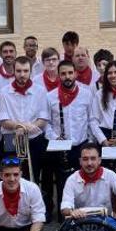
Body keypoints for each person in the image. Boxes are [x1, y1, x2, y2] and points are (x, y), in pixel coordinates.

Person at [44, 60, 94, 218]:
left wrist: (90, 143)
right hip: (60, 146)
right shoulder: (50, 96)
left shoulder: (86, 93)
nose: (67, 76)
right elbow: (46, 124)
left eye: (70, 73)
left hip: (81, 145)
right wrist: (55, 138)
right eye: (63, 73)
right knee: (61, 182)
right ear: (58, 75)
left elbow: (91, 120)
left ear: (75, 74)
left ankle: (83, 213)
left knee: (83, 181)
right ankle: (63, 215)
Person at [0, 56, 49, 185]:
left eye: (25, 71)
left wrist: (24, 128)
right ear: (13, 71)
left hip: (34, 139)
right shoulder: (4, 92)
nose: (22, 74)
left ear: (30, 71)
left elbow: (43, 119)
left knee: (35, 176)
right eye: (19, 71)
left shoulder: (40, 91)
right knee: (12, 177)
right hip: (11, 139)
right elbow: (4, 121)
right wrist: (19, 127)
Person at [60, 143, 116, 221]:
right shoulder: (71, 179)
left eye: (93, 158)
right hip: (80, 223)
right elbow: (65, 206)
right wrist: (71, 212)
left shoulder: (110, 175)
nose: (89, 163)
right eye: (85, 159)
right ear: (80, 161)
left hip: (106, 222)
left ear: (99, 160)